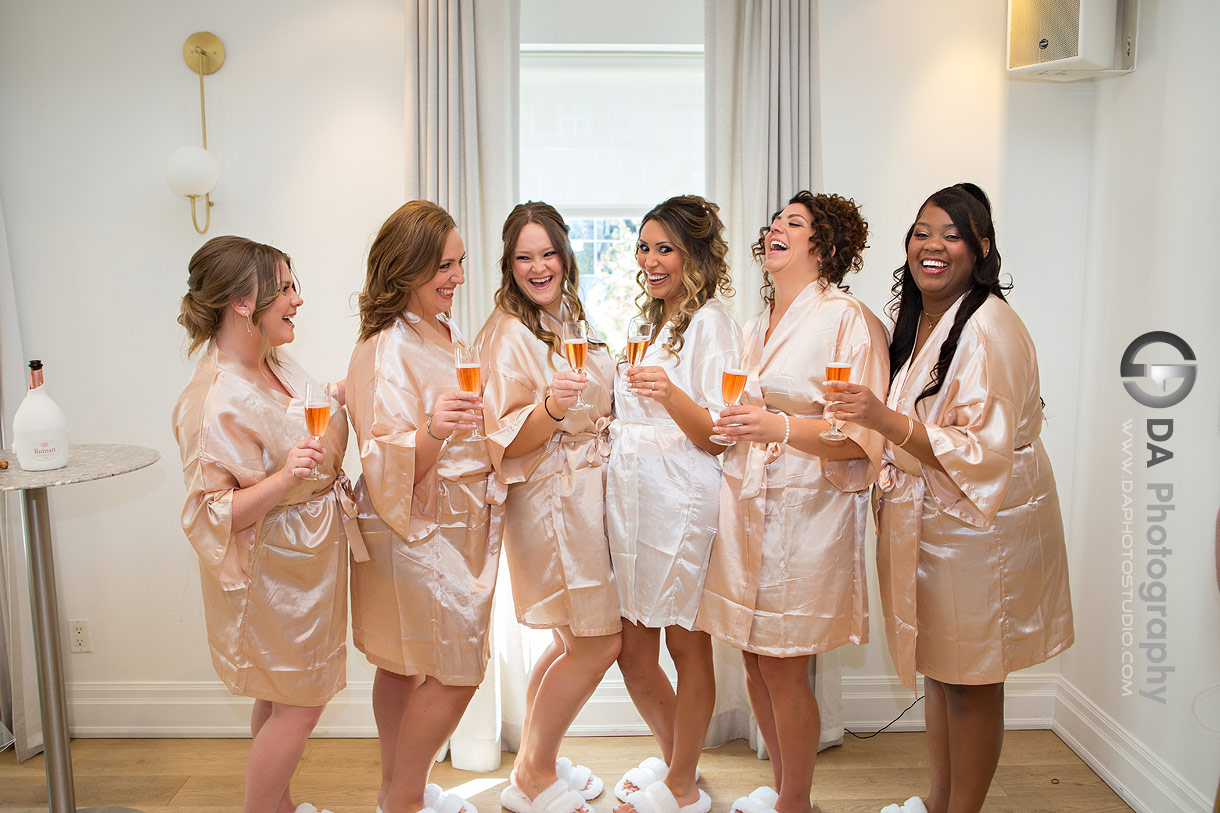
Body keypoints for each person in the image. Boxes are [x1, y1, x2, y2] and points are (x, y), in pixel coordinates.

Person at [830, 183, 1073, 813]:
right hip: (936, 520)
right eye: (920, 233)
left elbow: (981, 449)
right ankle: (939, 802)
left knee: (972, 681)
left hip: (979, 527)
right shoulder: (927, 321)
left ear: (981, 248)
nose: (931, 247)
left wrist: (883, 423)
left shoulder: (990, 327)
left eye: (951, 235)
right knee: (942, 672)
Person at [696, 192, 889, 813]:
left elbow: (859, 437)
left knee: (784, 666)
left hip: (808, 515)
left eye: (795, 224)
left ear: (825, 248)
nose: (777, 227)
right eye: (776, 220)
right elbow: (749, 412)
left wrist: (777, 428)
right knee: (753, 662)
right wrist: (732, 427)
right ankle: (784, 791)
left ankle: (795, 803)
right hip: (748, 505)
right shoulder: (756, 326)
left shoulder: (845, 320)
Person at [173, 236, 362, 813]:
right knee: (300, 704)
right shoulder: (212, 400)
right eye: (283, 288)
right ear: (238, 301)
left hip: (306, 564)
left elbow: (293, 419)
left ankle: (278, 806)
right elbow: (209, 512)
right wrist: (282, 481)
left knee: (280, 697)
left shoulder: (272, 360)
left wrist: (335, 395)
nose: (297, 299)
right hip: (270, 576)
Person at [346, 200, 502, 813]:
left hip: (456, 518)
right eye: (443, 266)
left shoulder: (446, 330)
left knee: (404, 664)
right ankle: (404, 799)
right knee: (457, 668)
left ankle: (396, 787)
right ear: (405, 267)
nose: (457, 278)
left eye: (461, 263)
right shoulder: (387, 346)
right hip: (416, 527)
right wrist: (434, 431)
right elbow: (380, 451)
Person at [477, 201, 619, 813]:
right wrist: (555, 410)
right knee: (595, 644)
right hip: (552, 507)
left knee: (571, 643)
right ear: (508, 267)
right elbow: (505, 436)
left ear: (565, 255)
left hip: (584, 499)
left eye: (547, 253)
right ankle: (534, 773)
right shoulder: (508, 334)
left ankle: (533, 764)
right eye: (523, 258)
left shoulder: (565, 317)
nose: (538, 267)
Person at [605, 195, 742, 813]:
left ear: (695, 256)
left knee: (686, 646)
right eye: (645, 246)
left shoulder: (712, 322)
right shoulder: (647, 324)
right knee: (634, 651)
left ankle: (684, 783)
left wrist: (669, 393)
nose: (652, 260)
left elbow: (717, 431)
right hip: (633, 503)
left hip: (683, 497)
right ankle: (675, 760)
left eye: (666, 249)